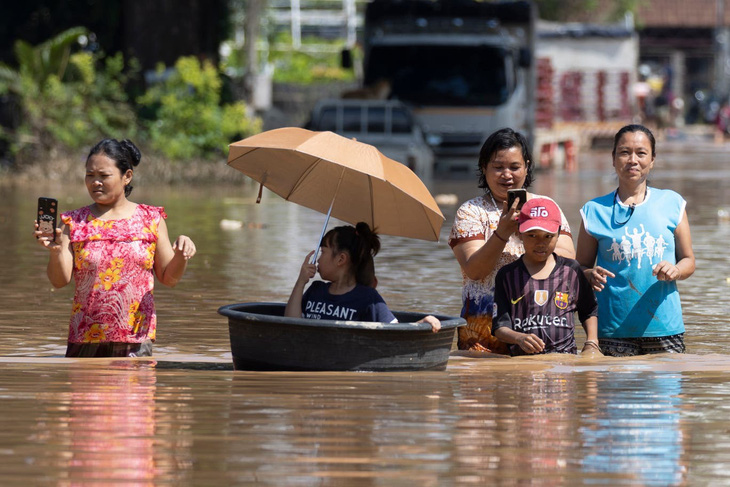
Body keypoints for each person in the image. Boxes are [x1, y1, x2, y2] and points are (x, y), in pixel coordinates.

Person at [33, 139, 196, 357]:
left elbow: (169, 278)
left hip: (135, 339)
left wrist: (181, 255)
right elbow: (59, 281)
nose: (95, 182)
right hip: (85, 337)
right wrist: (55, 252)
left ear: (127, 176)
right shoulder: (73, 222)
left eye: (104, 175)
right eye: (90, 175)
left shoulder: (151, 219)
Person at [449, 128, 575, 353]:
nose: (506, 174)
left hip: (538, 325)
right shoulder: (470, 212)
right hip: (482, 328)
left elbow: (567, 264)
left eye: (514, 167)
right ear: (483, 168)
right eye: (498, 167)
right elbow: (475, 270)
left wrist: (533, 237)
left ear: (527, 166)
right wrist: (503, 232)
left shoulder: (546, 207)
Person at [576, 124, 695, 356]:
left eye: (641, 153)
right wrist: (589, 275)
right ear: (613, 158)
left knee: (666, 390)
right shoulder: (593, 211)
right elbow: (579, 267)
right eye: (624, 152)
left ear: (652, 160)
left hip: (665, 327)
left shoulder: (673, 203)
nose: (632, 160)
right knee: (615, 391)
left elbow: (689, 260)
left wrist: (675, 270)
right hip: (612, 330)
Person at [492, 198, 601, 356]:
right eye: (532, 235)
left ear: (558, 234)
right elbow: (499, 327)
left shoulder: (572, 270)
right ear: (518, 233)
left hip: (564, 362)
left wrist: (592, 342)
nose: (540, 243)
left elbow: (589, 310)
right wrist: (519, 338)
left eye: (548, 236)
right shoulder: (507, 275)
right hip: (524, 363)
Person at [285, 222, 441, 332]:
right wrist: (300, 283)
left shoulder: (368, 298)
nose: (318, 259)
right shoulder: (315, 290)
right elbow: (290, 326)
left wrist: (423, 323)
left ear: (341, 259)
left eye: (323, 252)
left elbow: (396, 332)